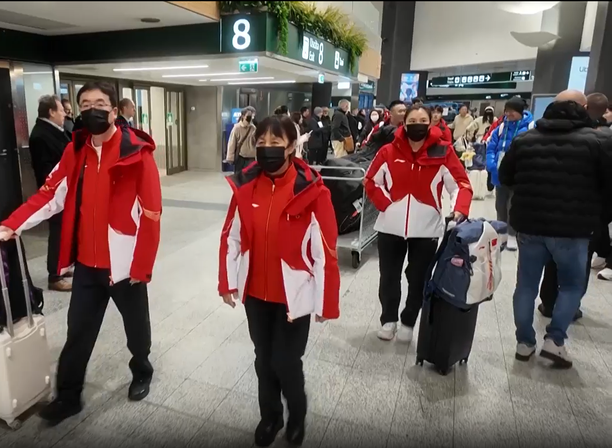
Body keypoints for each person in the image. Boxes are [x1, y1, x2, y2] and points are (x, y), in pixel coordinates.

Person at [0, 81, 162, 424]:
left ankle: (142, 369)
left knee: (136, 328)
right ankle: (69, 397)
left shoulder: (136, 154)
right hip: (87, 265)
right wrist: (12, 224)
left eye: (100, 103)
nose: (92, 110)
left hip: (125, 265)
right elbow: (48, 195)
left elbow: (151, 214)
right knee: (78, 333)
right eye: (84, 104)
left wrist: (142, 265)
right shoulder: (75, 152)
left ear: (115, 111)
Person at [218, 115, 340, 447]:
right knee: (262, 359)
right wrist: (227, 282)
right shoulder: (245, 186)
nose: (267, 149)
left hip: (294, 296)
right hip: (256, 293)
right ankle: (270, 417)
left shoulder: (312, 189)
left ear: (291, 146)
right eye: (261, 144)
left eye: (275, 143)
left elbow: (326, 251)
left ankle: (296, 417)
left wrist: (325, 301)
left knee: (285, 361)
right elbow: (231, 237)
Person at [500, 90, 612, 368]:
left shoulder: (525, 139)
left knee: (525, 285)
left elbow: (505, 176)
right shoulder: (600, 141)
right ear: (583, 108)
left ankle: (524, 343)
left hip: (530, 226)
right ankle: (555, 341)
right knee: (572, 286)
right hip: (574, 230)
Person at [364, 104, 472, 342]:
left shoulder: (442, 151)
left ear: (430, 122)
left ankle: (409, 320)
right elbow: (371, 180)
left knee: (418, 277)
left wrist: (458, 211)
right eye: (412, 120)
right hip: (390, 228)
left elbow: (461, 185)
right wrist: (386, 204)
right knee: (389, 276)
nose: (417, 124)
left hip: (426, 229)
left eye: (422, 120)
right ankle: (388, 319)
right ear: (404, 123)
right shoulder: (388, 151)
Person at [29, 95, 72, 292]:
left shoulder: (56, 131)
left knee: (67, 231)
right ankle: (54, 276)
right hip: (55, 193)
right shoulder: (41, 135)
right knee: (58, 233)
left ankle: (63, 266)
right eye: (61, 110)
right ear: (51, 112)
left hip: (66, 190)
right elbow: (47, 169)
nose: (65, 113)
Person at [486, 97, 534, 251]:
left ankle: (513, 234)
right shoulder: (500, 128)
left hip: (519, 175)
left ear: (520, 111)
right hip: (500, 173)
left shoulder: (531, 127)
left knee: (513, 206)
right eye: (507, 111)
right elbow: (491, 147)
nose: (509, 114)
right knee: (500, 204)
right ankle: (502, 232)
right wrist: (491, 164)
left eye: (512, 111)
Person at [226, 106, 257, 174]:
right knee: (239, 177)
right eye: (249, 115)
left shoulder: (253, 128)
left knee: (249, 178)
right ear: (243, 116)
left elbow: (255, 143)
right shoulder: (237, 128)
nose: (251, 117)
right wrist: (230, 158)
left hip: (251, 157)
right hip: (240, 157)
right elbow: (232, 143)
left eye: (252, 115)